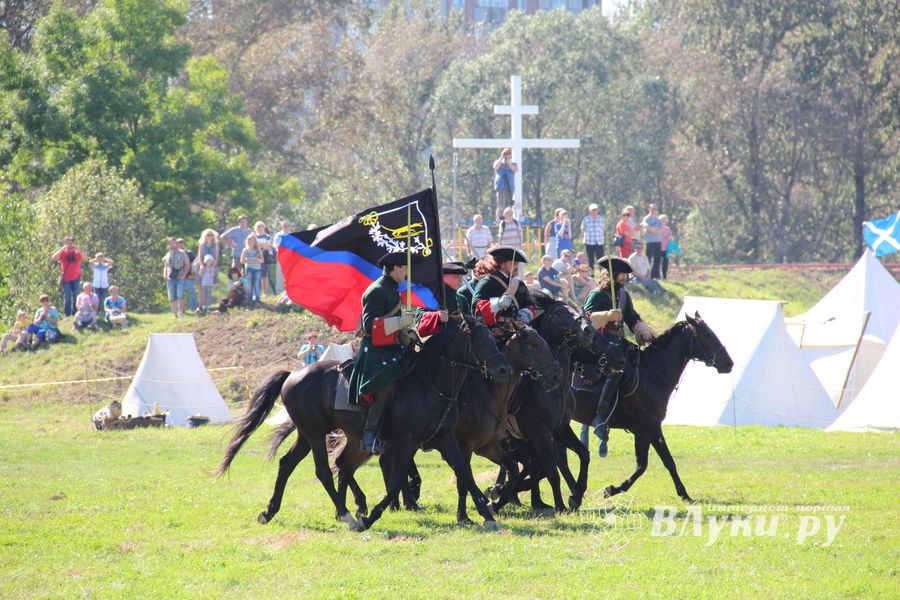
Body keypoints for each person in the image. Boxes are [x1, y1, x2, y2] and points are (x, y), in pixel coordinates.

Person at [583, 256, 656, 457]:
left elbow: (632, 318)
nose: (625, 278)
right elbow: (586, 321)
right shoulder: (596, 295)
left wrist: (641, 328)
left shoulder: (623, 295)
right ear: (613, 275)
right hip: (599, 345)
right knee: (618, 368)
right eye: (623, 274)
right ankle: (600, 417)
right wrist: (606, 315)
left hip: (619, 343)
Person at [349, 252, 420, 455]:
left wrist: (406, 332)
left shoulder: (392, 290)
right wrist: (400, 322)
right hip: (375, 352)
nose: (407, 272)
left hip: (391, 348)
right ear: (396, 268)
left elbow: (391, 327)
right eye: (405, 268)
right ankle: (369, 435)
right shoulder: (377, 290)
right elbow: (370, 326)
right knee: (386, 385)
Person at [472, 245, 536, 326]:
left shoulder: (520, 284)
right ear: (502, 264)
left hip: (520, 329)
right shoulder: (487, 283)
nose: (517, 267)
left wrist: (526, 313)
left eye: (517, 264)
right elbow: (477, 310)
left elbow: (530, 304)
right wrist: (498, 304)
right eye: (514, 263)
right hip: (495, 332)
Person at [414, 262, 462, 336]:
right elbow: (419, 320)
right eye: (456, 276)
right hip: (437, 343)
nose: (460, 281)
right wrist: (437, 316)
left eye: (461, 277)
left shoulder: (461, 298)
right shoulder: (430, 296)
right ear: (444, 276)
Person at [51, 237, 83, 317]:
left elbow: (85, 257)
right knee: (67, 296)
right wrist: (62, 249)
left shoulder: (76, 252)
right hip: (66, 278)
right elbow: (53, 258)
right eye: (67, 242)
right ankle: (67, 314)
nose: (69, 244)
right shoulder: (63, 252)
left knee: (76, 295)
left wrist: (78, 249)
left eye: (71, 242)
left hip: (76, 277)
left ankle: (75, 312)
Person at [162, 237, 188, 318]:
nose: (173, 244)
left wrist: (184, 275)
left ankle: (181, 312)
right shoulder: (167, 254)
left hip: (180, 277)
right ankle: (174, 314)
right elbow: (166, 266)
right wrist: (165, 274)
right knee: (172, 297)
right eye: (171, 243)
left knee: (180, 295)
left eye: (174, 242)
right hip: (170, 279)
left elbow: (187, 264)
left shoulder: (182, 253)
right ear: (169, 244)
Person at [493, 148, 518, 222]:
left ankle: (508, 219)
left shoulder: (513, 164)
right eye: (506, 154)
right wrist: (502, 157)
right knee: (501, 205)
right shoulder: (499, 163)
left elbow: (514, 169)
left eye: (508, 154)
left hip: (510, 188)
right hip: (501, 187)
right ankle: (498, 219)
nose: (507, 155)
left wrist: (508, 161)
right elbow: (495, 166)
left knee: (509, 205)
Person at [581, 203, 605, 272]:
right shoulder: (586, 219)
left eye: (595, 210)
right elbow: (582, 229)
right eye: (592, 210)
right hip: (589, 242)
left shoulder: (601, 219)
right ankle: (591, 275)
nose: (594, 212)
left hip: (599, 242)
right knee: (590, 260)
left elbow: (603, 229)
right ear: (589, 211)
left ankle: (602, 275)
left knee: (601, 260)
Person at [240, 234, 264, 307]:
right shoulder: (245, 250)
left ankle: (257, 299)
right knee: (249, 285)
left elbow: (262, 260)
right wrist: (251, 261)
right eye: (250, 239)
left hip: (257, 269)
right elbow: (242, 261)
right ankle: (249, 300)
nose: (251, 241)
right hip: (249, 269)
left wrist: (256, 259)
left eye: (253, 239)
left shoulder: (258, 250)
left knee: (257, 284)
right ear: (247, 241)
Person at [642, 203, 663, 279]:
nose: (653, 210)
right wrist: (654, 229)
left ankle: (656, 275)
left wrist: (652, 229)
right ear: (649, 209)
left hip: (658, 241)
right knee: (648, 258)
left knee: (657, 259)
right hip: (650, 241)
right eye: (652, 208)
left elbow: (660, 229)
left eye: (655, 209)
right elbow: (647, 227)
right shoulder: (646, 219)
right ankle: (647, 275)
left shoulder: (658, 219)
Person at [177, 238, 199, 312]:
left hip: (188, 277)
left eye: (182, 242)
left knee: (192, 291)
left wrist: (194, 275)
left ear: (184, 244)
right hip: (178, 278)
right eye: (179, 243)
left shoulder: (189, 253)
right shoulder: (174, 254)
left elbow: (195, 265)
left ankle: (193, 308)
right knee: (180, 294)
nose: (180, 244)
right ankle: (181, 310)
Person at [254, 221, 275, 296]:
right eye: (258, 226)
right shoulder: (254, 236)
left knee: (264, 275)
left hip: (266, 257)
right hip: (256, 257)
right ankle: (256, 292)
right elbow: (252, 246)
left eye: (262, 226)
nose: (260, 228)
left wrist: (261, 245)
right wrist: (262, 245)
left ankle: (264, 293)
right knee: (256, 275)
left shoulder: (267, 236)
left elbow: (269, 247)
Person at [659, 214, 673, 280]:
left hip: (666, 249)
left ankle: (664, 276)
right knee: (657, 263)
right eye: (661, 220)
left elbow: (670, 237)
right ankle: (657, 275)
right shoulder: (657, 228)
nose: (663, 221)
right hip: (658, 248)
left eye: (664, 220)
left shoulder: (668, 229)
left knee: (665, 263)